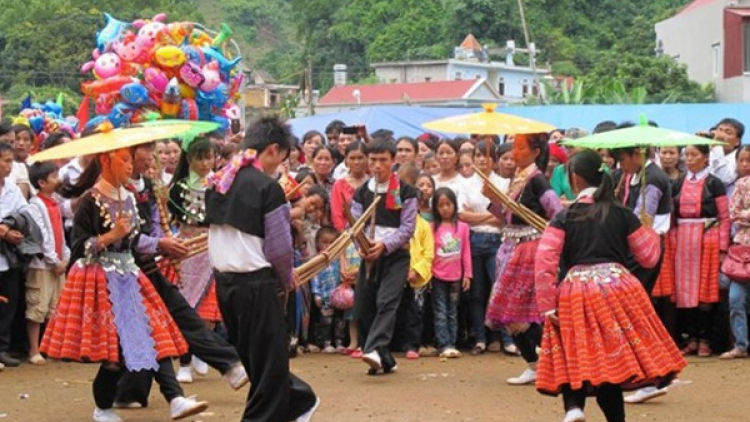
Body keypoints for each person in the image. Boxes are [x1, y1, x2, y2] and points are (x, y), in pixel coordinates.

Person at [40, 146, 208, 422]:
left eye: (131, 160)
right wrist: (110, 236)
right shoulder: (90, 200)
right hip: (101, 282)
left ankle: (175, 398)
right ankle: (103, 406)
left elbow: (135, 241)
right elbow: (80, 247)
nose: (131, 166)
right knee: (115, 354)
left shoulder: (129, 197)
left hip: (130, 276)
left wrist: (148, 243)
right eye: (125, 160)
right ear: (107, 161)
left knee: (153, 333)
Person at [534, 149, 686, 422]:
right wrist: (648, 228)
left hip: (576, 291)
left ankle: (574, 408)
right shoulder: (622, 213)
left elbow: (544, 261)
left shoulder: (565, 217)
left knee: (574, 350)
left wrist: (547, 305)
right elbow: (649, 257)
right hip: (618, 289)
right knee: (611, 360)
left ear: (575, 179)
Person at [114, 142, 248, 409]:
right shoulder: (111, 191)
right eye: (147, 150)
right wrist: (157, 245)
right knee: (146, 329)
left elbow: (153, 226)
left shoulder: (148, 187)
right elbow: (121, 236)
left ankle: (226, 364)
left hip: (147, 266)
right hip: (120, 272)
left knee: (177, 315)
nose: (152, 156)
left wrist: (165, 242)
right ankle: (156, 392)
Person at [205, 116, 319, 422]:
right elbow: (280, 247)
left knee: (257, 359)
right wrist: (287, 278)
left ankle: (299, 402)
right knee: (268, 362)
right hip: (256, 284)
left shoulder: (220, 180)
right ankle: (296, 403)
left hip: (225, 284)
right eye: (282, 159)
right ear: (272, 150)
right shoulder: (267, 188)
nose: (282, 167)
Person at [483, 133, 563, 385]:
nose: (514, 153)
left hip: (529, 250)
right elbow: (507, 217)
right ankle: (534, 363)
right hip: (509, 248)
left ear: (536, 152)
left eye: (520, 148)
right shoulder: (516, 179)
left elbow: (556, 213)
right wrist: (493, 199)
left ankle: (561, 358)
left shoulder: (537, 180)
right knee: (507, 312)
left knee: (518, 313)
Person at [351, 139, 418, 375]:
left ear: (392, 161)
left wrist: (384, 245)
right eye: (373, 160)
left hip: (396, 255)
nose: (377, 165)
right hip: (369, 255)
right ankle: (384, 358)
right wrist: (360, 245)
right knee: (363, 304)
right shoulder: (361, 193)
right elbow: (356, 225)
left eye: (383, 160)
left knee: (387, 301)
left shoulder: (406, 192)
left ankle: (372, 348)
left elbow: (407, 228)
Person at [167, 137, 222, 383]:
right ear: (189, 159)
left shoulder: (219, 183)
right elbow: (176, 215)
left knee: (209, 310)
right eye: (201, 157)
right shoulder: (178, 187)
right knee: (186, 307)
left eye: (209, 157)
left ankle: (200, 349)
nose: (206, 163)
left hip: (212, 248)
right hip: (187, 250)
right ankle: (185, 362)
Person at [670, 144, 730, 357]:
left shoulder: (715, 184)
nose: (689, 159)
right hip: (683, 241)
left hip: (707, 239)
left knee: (704, 289)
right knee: (685, 290)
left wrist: (723, 247)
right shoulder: (677, 183)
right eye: (687, 155)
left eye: (694, 155)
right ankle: (692, 338)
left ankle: (705, 339)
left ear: (706, 158)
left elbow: (724, 217)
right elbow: (671, 216)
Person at [460, 142, 515, 355]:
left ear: (494, 159)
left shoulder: (503, 183)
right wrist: (492, 216)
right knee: (476, 293)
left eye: (487, 155)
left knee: (499, 288)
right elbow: (461, 215)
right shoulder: (465, 183)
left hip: (497, 240)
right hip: (473, 240)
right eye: (478, 155)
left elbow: (505, 216)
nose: (482, 159)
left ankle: (507, 338)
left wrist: (481, 217)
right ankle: (481, 339)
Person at [25, 162, 69, 365]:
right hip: (42, 265)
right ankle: (34, 349)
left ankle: (50, 346)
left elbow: (60, 232)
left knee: (54, 307)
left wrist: (64, 257)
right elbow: (42, 236)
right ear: (41, 183)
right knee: (38, 306)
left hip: (58, 262)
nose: (57, 179)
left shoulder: (55, 203)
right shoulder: (36, 205)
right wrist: (54, 259)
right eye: (54, 176)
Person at [394, 164, 434, 360]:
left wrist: (417, 270)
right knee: (395, 309)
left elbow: (429, 253)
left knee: (415, 312)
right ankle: (396, 342)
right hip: (397, 273)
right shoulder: (397, 224)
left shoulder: (425, 226)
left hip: (416, 276)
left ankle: (413, 344)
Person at [431, 187, 472, 359]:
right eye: (441, 205)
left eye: (448, 204)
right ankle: (444, 344)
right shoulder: (432, 227)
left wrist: (467, 274)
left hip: (456, 277)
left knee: (453, 311)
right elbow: (430, 253)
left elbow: (466, 252)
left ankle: (452, 343)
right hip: (438, 276)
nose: (445, 208)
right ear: (436, 208)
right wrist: (428, 276)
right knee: (440, 311)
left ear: (454, 205)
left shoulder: (462, 227)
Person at [0, 142, 28, 369]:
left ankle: (3, 348)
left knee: (9, 302)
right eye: (6, 161)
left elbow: (24, 212)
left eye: (11, 161)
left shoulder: (12, 189)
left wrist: (12, 229)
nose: (10, 166)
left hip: (8, 256)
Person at [720, 145, 750, 359]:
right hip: (741, 251)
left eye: (749, 161)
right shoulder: (740, 184)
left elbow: (740, 215)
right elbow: (733, 214)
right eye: (741, 160)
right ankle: (741, 344)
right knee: (735, 299)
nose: (745, 165)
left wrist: (744, 215)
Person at [311, 226, 345, 353]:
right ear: (317, 243)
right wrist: (316, 294)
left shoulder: (338, 259)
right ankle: (326, 342)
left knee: (339, 320)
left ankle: (339, 341)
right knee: (326, 321)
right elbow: (314, 278)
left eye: (331, 243)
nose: (328, 245)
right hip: (325, 296)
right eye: (324, 242)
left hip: (338, 296)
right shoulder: (316, 260)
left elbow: (343, 274)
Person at [330, 142, 368, 232]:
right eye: (352, 158)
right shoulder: (339, 185)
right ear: (346, 160)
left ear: (367, 158)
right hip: (347, 235)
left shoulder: (372, 183)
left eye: (360, 158)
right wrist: (345, 237)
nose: (356, 162)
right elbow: (337, 215)